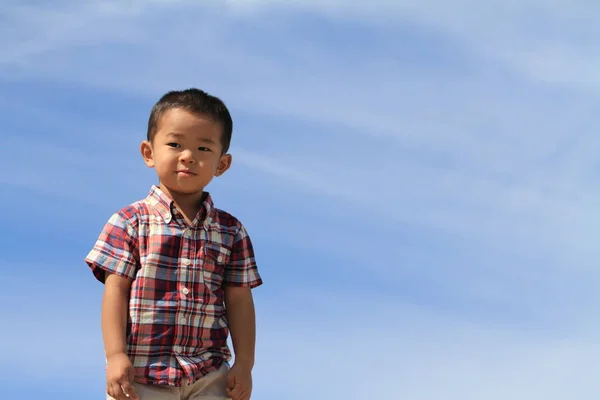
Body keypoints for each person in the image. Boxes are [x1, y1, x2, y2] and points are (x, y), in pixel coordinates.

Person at [85, 88, 263, 400]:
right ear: (148, 152)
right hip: (141, 373)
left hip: (208, 374)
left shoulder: (230, 231)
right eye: (175, 144)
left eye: (204, 148)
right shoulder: (129, 221)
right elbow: (116, 290)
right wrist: (115, 356)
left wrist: (244, 363)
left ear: (222, 164)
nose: (188, 156)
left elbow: (239, 301)